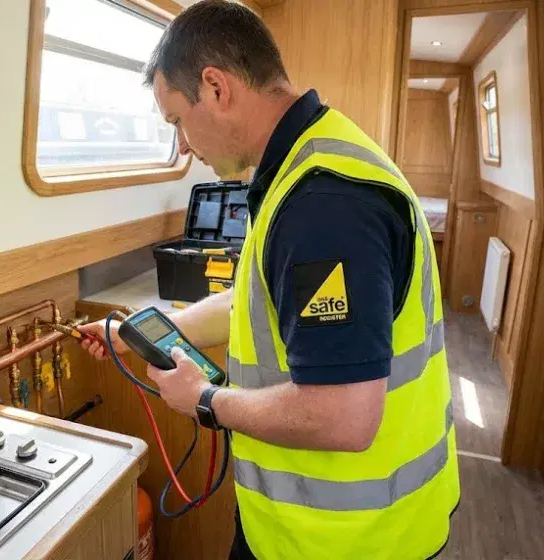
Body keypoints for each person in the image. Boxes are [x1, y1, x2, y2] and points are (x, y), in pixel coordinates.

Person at [78, 1, 460, 558]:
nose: (182, 144)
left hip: (351, 540)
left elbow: (343, 417)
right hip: (298, 527)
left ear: (215, 87)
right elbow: (258, 303)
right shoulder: (300, 163)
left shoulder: (324, 205)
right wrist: (150, 329)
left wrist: (205, 400)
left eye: (176, 120)